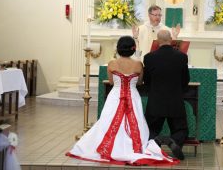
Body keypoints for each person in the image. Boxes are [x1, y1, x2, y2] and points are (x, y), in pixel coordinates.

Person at [67, 36, 179, 165]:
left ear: (118, 49)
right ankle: (134, 147)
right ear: (133, 49)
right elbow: (140, 82)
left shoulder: (112, 63)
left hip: (115, 96)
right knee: (136, 122)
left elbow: (110, 81)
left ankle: (110, 146)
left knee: (108, 121)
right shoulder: (138, 64)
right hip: (133, 96)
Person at [143, 30, 190, 160]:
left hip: (156, 100)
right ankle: (174, 141)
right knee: (181, 129)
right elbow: (185, 80)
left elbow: (147, 81)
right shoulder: (181, 57)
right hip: (175, 100)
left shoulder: (149, 57)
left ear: (157, 41)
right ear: (171, 40)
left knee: (150, 128)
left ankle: (155, 143)